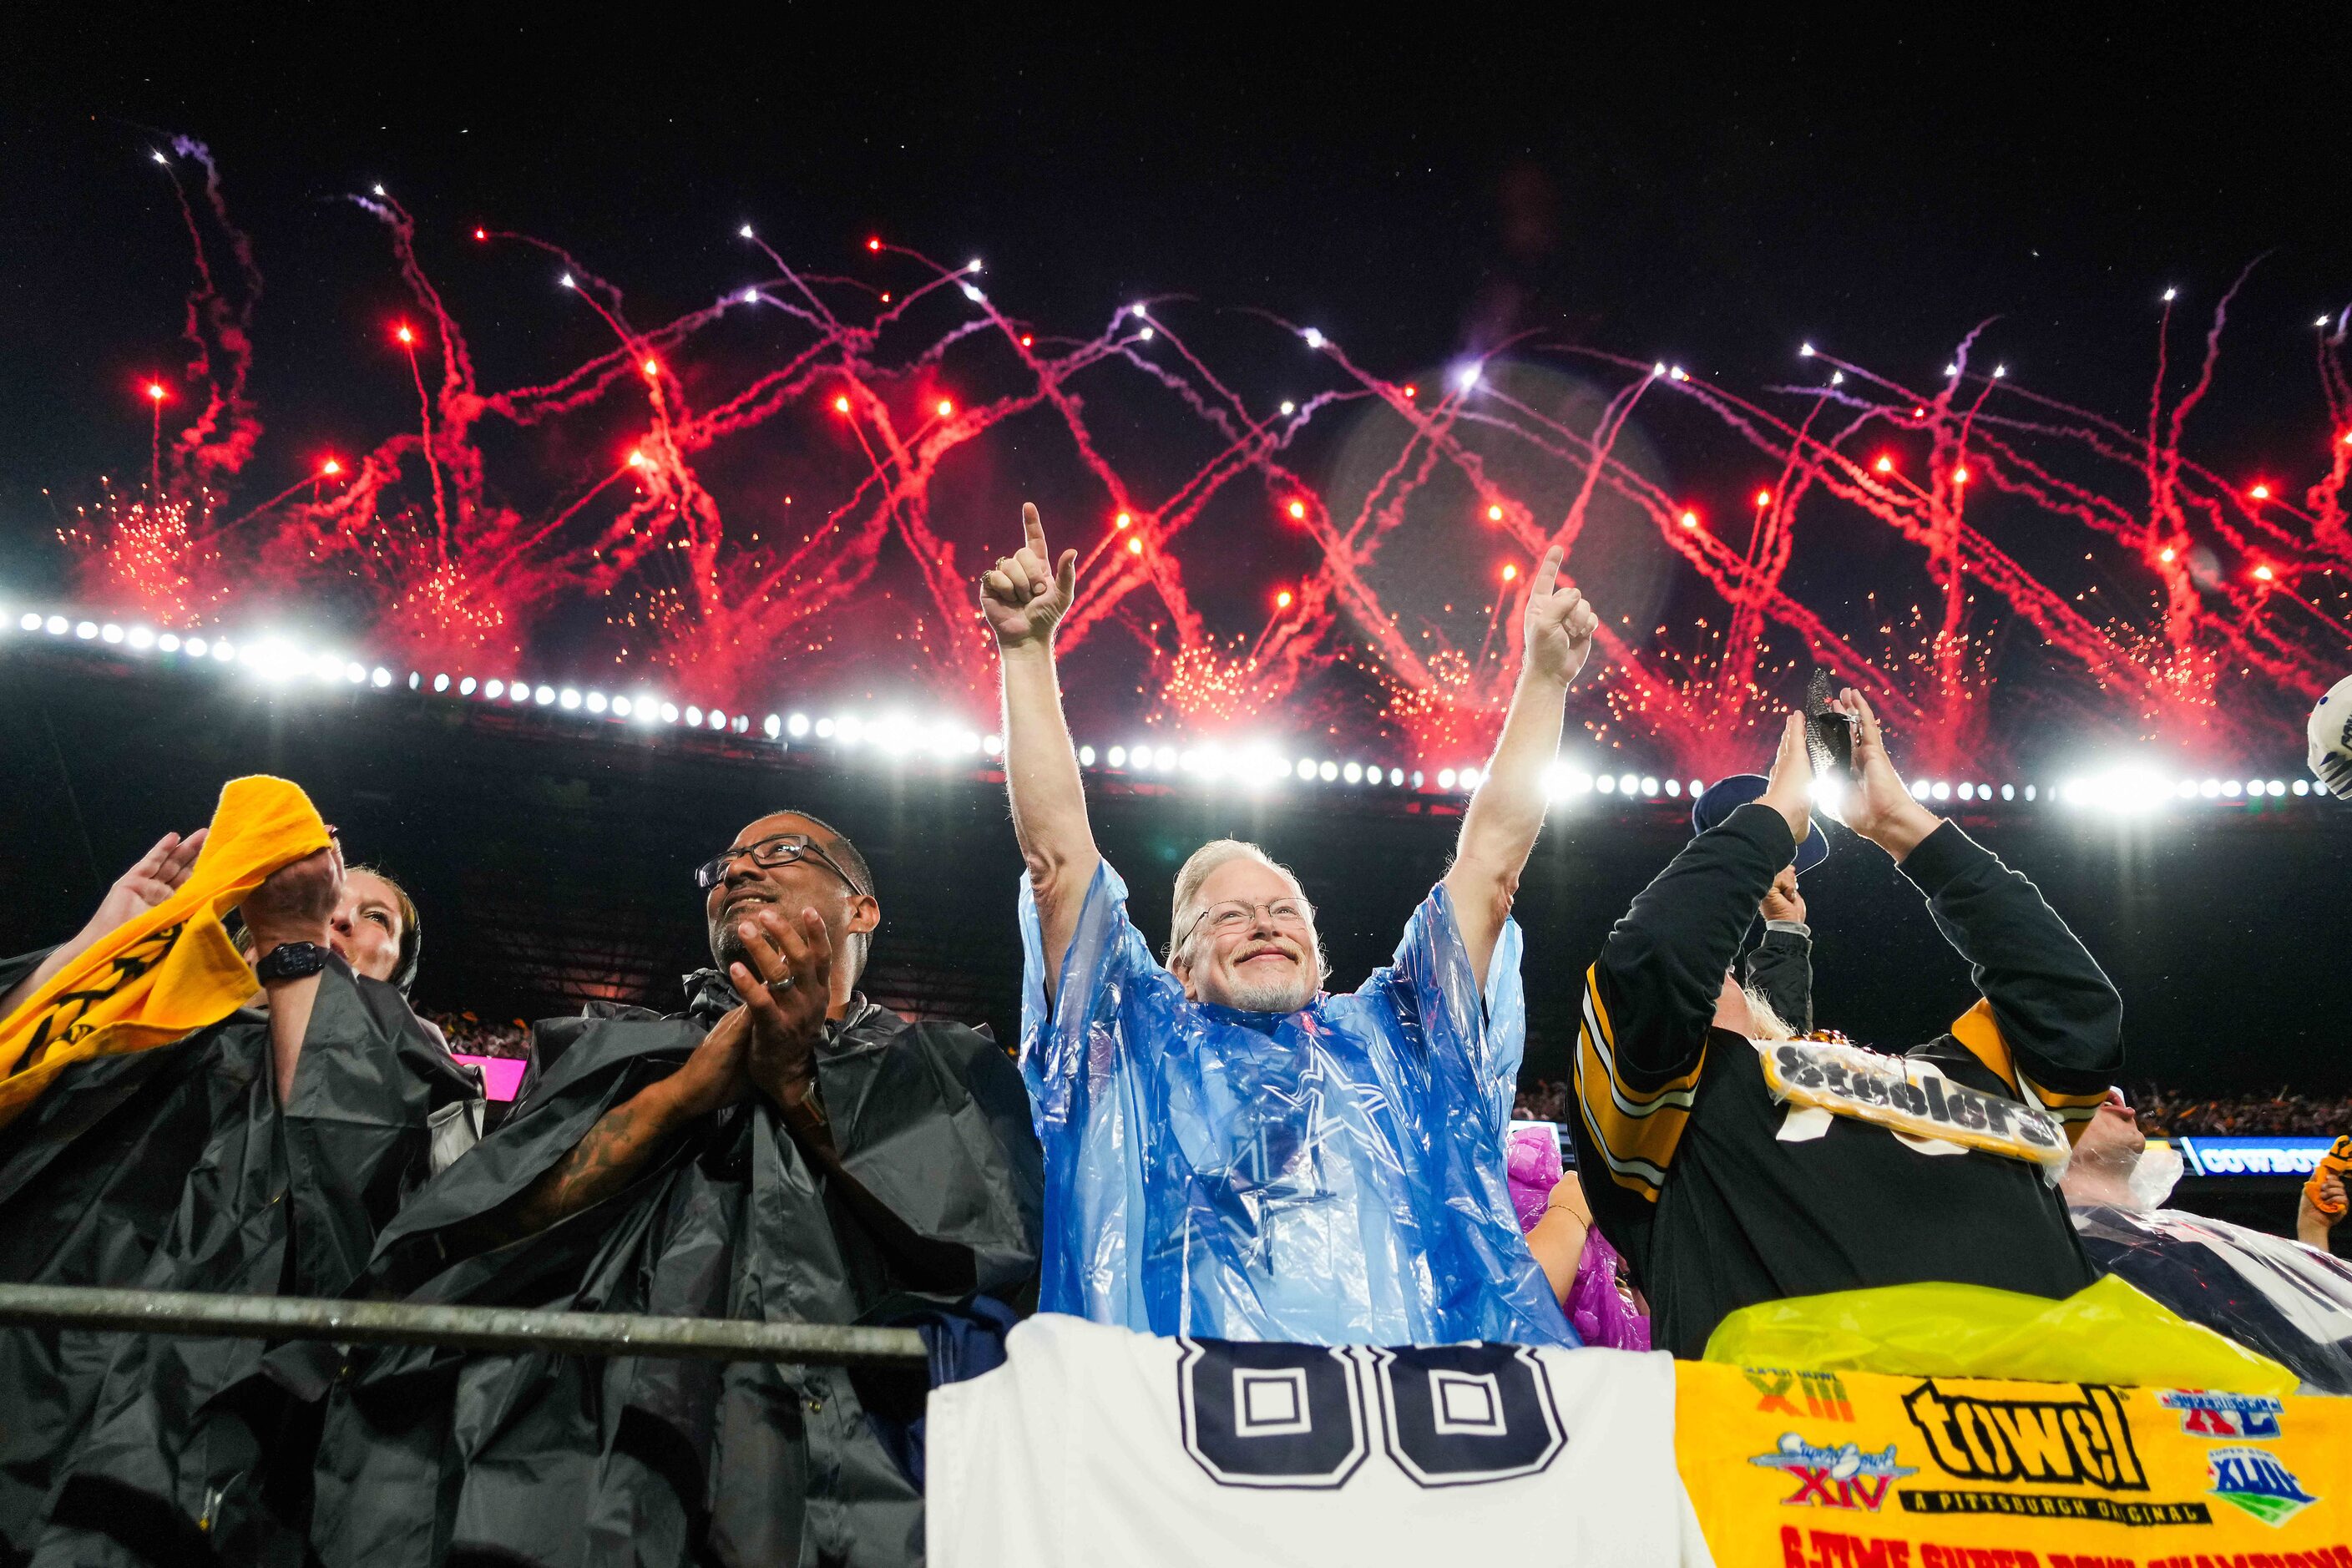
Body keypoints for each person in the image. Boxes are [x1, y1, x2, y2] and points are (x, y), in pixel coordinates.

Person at [307, 811, 1044, 1568]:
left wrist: (796, 1088)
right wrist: (683, 1094)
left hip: (856, 1480)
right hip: (597, 1471)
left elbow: (977, 1262)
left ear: (860, 907)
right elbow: (480, 1230)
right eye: (724, 865)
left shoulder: (944, 1070)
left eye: (780, 853)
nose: (738, 871)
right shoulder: (618, 1052)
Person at [989, 501, 1593, 1345]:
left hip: (1393, 1440)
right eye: (1230, 917)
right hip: (1178, 1439)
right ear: (1178, 966)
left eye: (1283, 913)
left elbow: (1491, 867)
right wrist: (1024, 653)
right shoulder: (1130, 1038)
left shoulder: (1394, 1042)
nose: (1267, 926)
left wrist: (1544, 683)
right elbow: (1058, 866)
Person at [1570, 693, 2123, 1358]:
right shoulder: (1672, 1118)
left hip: (2064, 1442)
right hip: (1819, 1447)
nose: (1714, 970)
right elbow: (1658, 958)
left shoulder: (1968, 1076)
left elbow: (2070, 998)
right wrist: (1770, 818)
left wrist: (1902, 825)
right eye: (1709, 970)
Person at [0, 827, 482, 1564]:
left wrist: (299, 946)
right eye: (332, 901)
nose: (343, 917)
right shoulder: (158, 1013)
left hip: (205, 1440)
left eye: (375, 917)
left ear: (397, 974)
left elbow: (367, 1233)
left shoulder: (424, 1074)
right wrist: (96, 949)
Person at [2063, 1090, 2352, 1393]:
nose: (2127, 1107)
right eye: (2103, 1103)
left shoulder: (2182, 1229)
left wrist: (2313, 1232)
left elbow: (2312, 1328)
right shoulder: (2057, 1245)